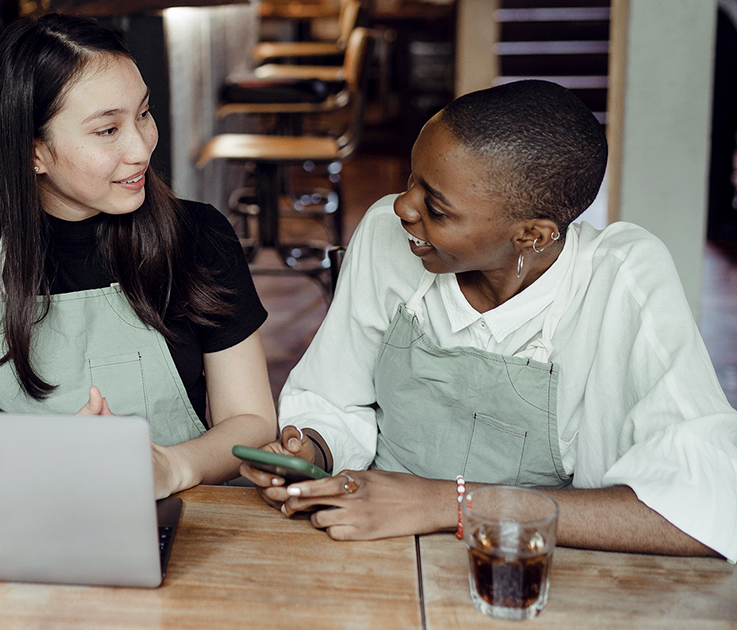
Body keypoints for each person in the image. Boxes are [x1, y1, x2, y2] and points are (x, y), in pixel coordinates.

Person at [240, 80, 737, 562]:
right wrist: (316, 451)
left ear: (532, 236)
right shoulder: (387, 235)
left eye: (436, 207)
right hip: (373, 540)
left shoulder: (621, 279)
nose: (403, 207)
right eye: (412, 180)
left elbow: (705, 506)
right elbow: (335, 396)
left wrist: (445, 504)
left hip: (527, 565)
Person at [0, 14, 277, 498]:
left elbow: (252, 420)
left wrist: (172, 467)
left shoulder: (199, 234)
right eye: (107, 131)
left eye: (144, 114)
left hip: (184, 511)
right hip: (17, 510)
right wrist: (42, 458)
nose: (140, 148)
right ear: (34, 152)